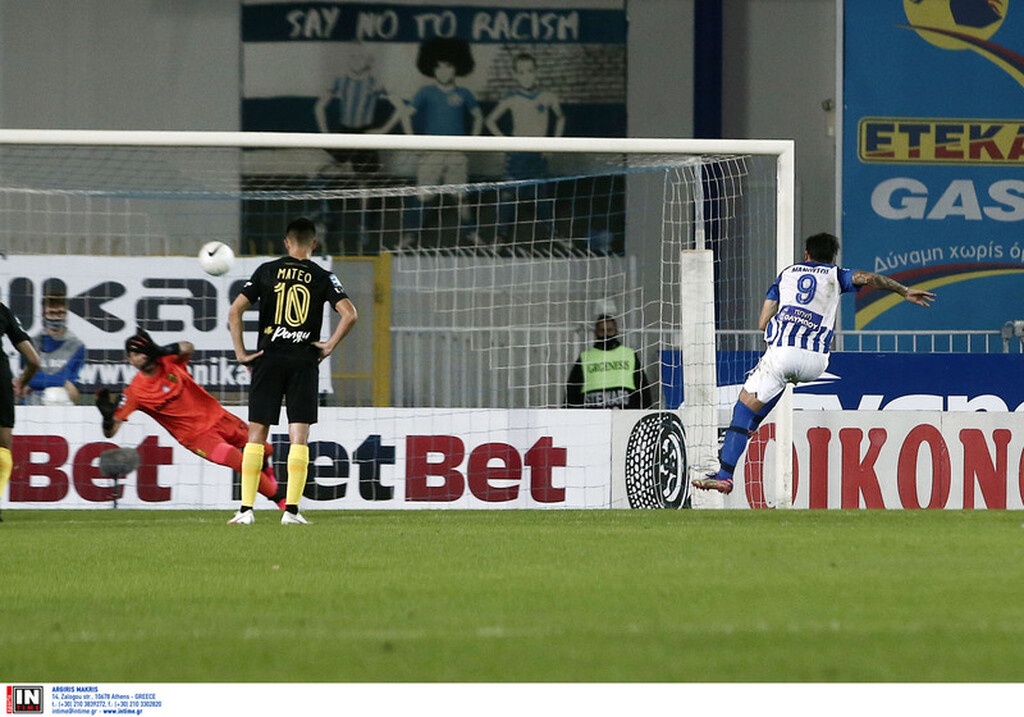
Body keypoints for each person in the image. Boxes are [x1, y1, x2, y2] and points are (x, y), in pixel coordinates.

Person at [692, 232, 937, 496]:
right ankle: (749, 429)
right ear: (833, 257)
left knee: (743, 409)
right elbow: (868, 278)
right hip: (817, 362)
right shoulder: (836, 275)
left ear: (806, 254)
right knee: (779, 383)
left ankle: (725, 474)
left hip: (783, 354)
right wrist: (903, 290)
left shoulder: (786, 275)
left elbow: (762, 322)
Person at [227, 217, 358, 525]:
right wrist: (329, 346)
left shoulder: (266, 271)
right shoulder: (324, 276)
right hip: (303, 361)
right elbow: (350, 314)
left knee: (256, 434)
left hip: (268, 359)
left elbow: (235, 311)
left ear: (286, 243)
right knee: (299, 436)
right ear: (314, 243)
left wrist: (242, 354)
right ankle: (292, 511)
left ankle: (246, 510)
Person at [95, 328, 285, 509]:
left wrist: (162, 350)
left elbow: (188, 347)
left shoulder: (170, 361)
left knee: (265, 448)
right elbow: (111, 432)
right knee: (238, 460)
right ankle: (282, 503)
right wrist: (106, 417)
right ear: (129, 361)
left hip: (220, 417)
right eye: (134, 354)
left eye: (141, 351)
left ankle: (266, 470)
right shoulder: (134, 393)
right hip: (197, 437)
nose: (140, 356)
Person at [385, 37, 483, 251]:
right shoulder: (425, 93)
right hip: (431, 154)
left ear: (456, 67)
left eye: (448, 66)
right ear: (432, 68)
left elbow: (478, 116)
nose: (443, 71)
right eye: (438, 67)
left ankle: (471, 233)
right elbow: (406, 114)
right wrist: (414, 142)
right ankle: (410, 236)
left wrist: (472, 142)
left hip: (456, 154)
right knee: (423, 197)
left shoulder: (464, 93)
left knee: (461, 197)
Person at [484, 52, 566, 252]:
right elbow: (490, 121)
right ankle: (501, 234)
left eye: (529, 71)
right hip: (517, 155)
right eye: (521, 72)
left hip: (538, 154)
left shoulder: (547, 96)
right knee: (507, 195)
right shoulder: (512, 98)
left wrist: (553, 144)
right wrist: (506, 143)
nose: (526, 75)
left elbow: (560, 117)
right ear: (515, 75)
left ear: (536, 72)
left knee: (542, 195)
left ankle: (553, 233)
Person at [1, 301, 41, 522]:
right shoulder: (2, 310)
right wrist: (23, 380)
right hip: (1, 378)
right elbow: (34, 360)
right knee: (3, 446)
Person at [565, 314, 653, 409]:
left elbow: (643, 388)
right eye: (602, 331)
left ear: (616, 331)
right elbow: (572, 390)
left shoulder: (629, 355)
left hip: (625, 414)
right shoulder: (585, 358)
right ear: (596, 333)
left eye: (609, 330)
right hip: (593, 415)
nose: (606, 335)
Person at [20, 279, 85, 406]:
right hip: (30, 407)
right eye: (52, 313)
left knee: (56, 394)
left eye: (60, 313)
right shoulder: (29, 344)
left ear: (66, 314)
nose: (56, 317)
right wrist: (62, 381)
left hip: (60, 406)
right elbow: (27, 380)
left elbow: (73, 389)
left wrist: (39, 381)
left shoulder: (77, 346)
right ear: (43, 314)